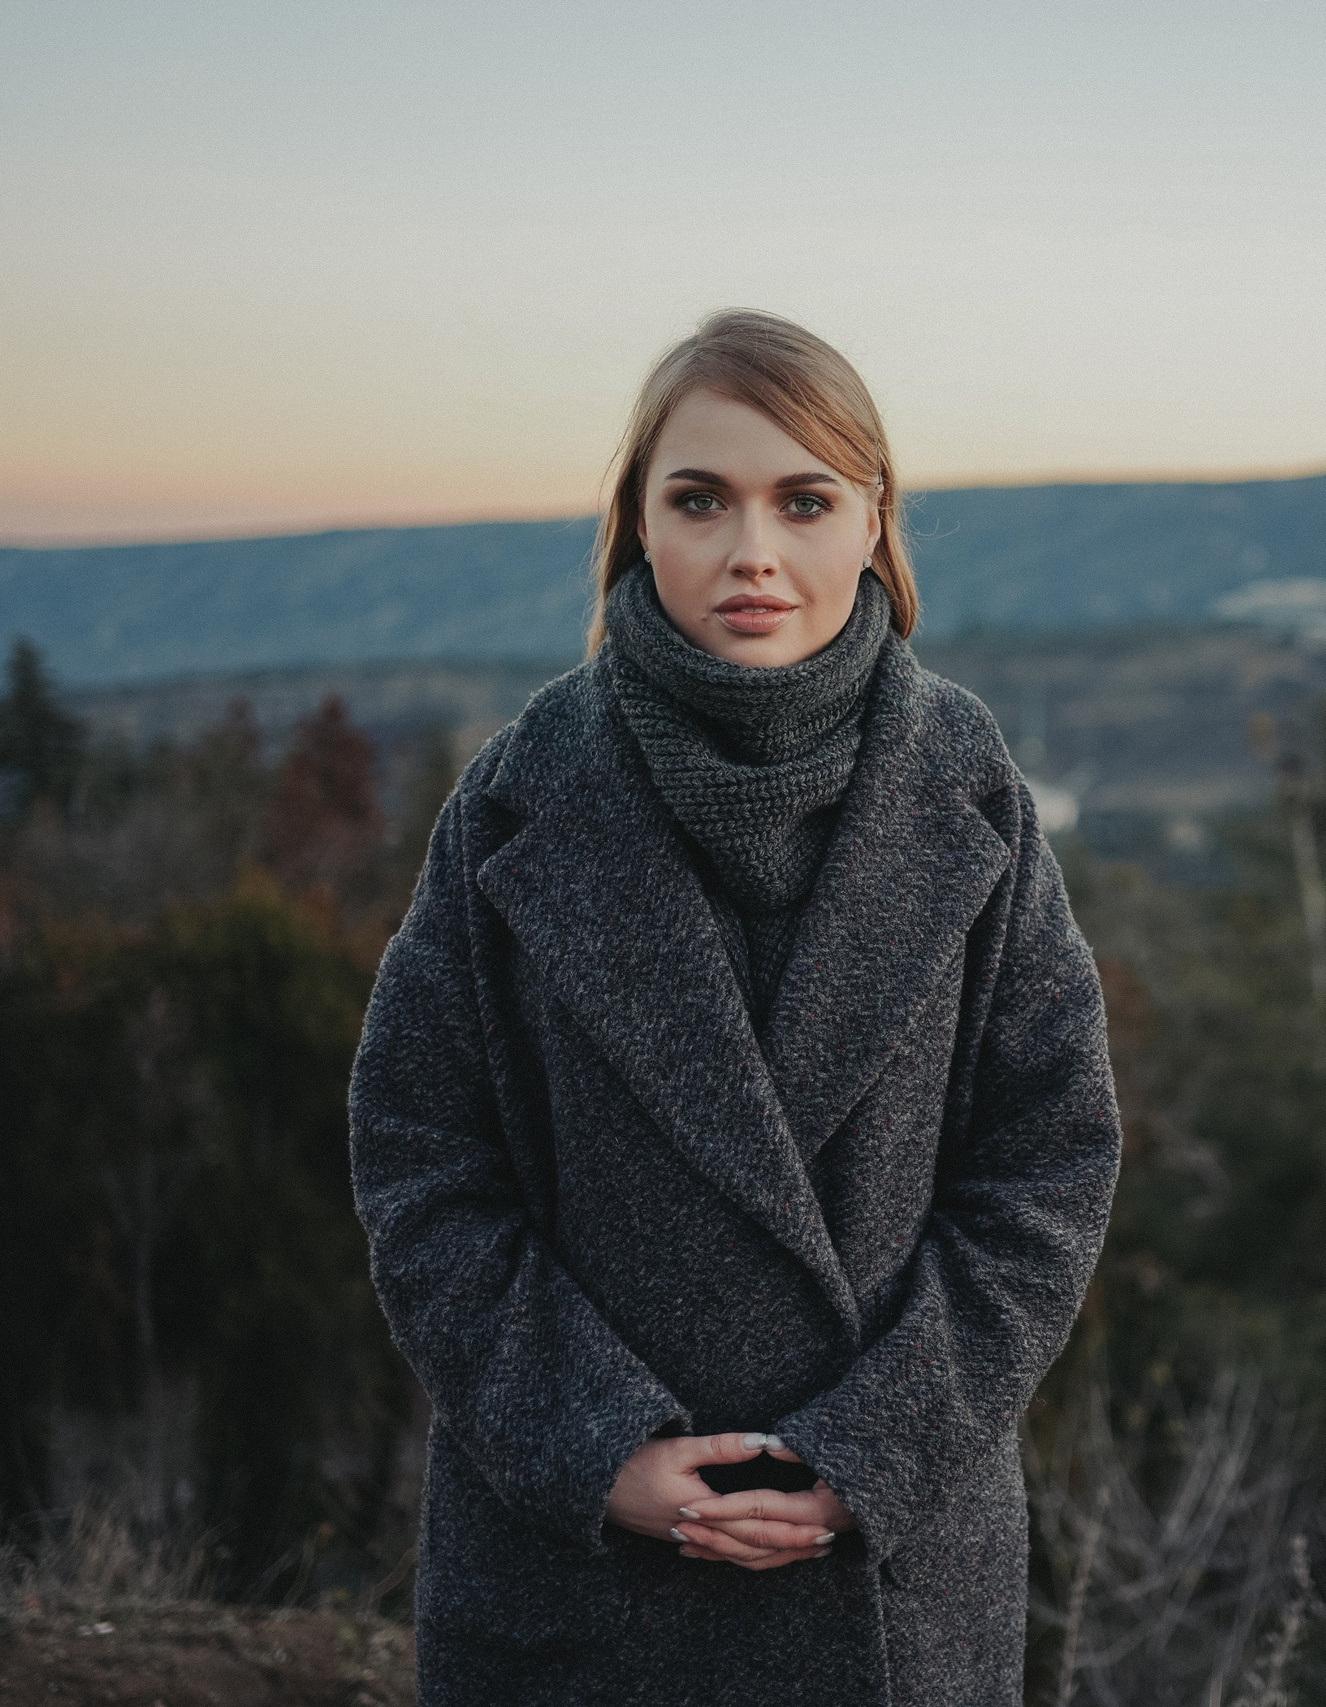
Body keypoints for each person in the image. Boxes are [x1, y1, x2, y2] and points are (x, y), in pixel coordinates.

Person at [348, 309, 1122, 1705]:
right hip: (578, 1573)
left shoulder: (969, 792)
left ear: (872, 522)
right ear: (640, 523)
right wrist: (597, 1446)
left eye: (804, 500)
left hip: (884, 1579)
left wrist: (870, 1454)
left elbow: (1046, 1165)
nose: (753, 552)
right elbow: (424, 1163)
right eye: (699, 498)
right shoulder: (521, 801)